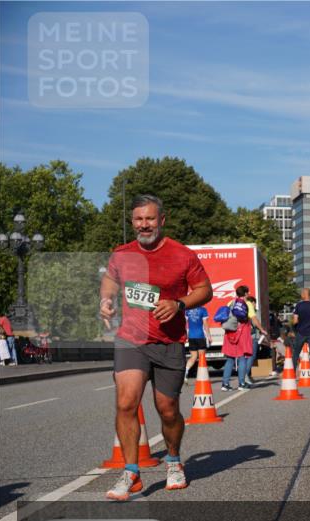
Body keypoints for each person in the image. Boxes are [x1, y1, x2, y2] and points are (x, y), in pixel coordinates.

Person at [99, 194, 212, 501]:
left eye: (150, 219)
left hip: (169, 342)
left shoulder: (182, 255)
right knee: (126, 402)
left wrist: (179, 304)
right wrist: (106, 299)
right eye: (138, 219)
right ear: (132, 221)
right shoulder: (122, 254)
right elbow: (110, 279)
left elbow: (205, 290)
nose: (144, 225)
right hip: (131, 340)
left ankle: (174, 461)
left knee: (168, 409)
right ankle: (131, 472)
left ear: (162, 220)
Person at [221, 285, 253, 391]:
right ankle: (241, 383)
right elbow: (251, 318)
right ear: (245, 294)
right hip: (241, 333)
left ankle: (225, 384)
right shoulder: (247, 303)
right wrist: (262, 329)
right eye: (247, 292)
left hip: (230, 333)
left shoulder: (231, 303)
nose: (248, 294)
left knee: (230, 358)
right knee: (242, 358)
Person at [291, 288, 310, 366]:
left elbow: (295, 320)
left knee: (296, 353)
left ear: (304, 295)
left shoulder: (299, 306)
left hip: (301, 332)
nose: (301, 295)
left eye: (301, 294)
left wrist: (294, 328)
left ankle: (293, 371)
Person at [243, 295, 268, 386]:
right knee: (251, 356)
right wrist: (262, 330)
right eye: (254, 303)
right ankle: (245, 375)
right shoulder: (253, 312)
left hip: (246, 336)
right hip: (253, 336)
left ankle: (247, 375)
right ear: (251, 303)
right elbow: (256, 322)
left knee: (245, 357)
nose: (255, 305)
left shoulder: (243, 311)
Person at [183, 303, 211, 382]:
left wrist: (185, 334)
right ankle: (201, 377)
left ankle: (186, 371)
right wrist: (209, 336)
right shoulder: (203, 310)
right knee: (202, 358)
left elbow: (185, 323)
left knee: (193, 357)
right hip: (200, 336)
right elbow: (205, 324)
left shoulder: (187, 311)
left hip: (191, 337)